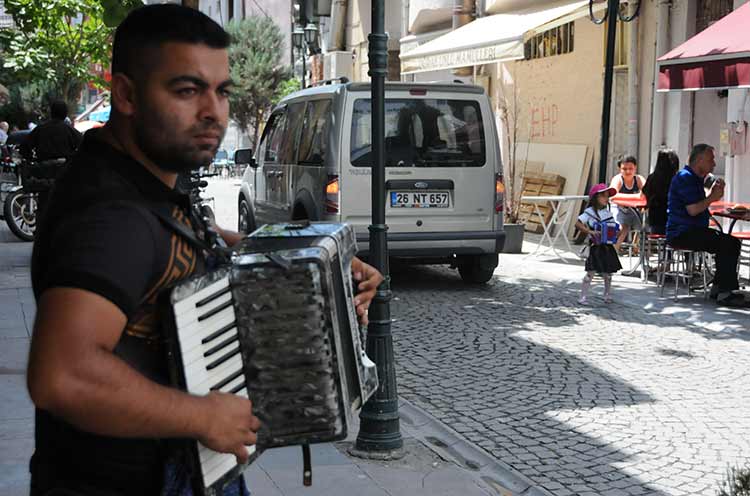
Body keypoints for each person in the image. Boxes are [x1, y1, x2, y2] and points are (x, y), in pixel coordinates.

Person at [27, 5, 383, 496]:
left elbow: (199, 238)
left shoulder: (145, 181)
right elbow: (61, 375)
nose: (213, 111)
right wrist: (199, 415)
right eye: (187, 90)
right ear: (126, 94)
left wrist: (321, 262)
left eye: (221, 91)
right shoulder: (109, 216)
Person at [667, 143, 746, 307]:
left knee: (729, 242)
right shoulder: (685, 178)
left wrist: (713, 194)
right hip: (682, 232)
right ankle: (724, 292)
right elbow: (693, 210)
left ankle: (719, 288)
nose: (714, 164)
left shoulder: (694, 179)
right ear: (700, 160)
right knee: (727, 243)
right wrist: (712, 197)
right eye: (711, 159)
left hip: (692, 230)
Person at [575, 183, 623, 305]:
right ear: (596, 197)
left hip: (607, 247)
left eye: (607, 196)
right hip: (595, 247)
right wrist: (590, 231)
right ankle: (583, 297)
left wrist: (617, 232)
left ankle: (607, 295)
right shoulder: (589, 212)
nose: (606, 199)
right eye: (603, 196)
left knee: (608, 274)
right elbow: (578, 223)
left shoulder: (608, 214)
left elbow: (615, 228)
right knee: (590, 273)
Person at [609, 155, 646, 251]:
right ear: (619, 169)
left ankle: (635, 246)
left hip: (634, 209)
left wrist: (624, 198)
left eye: (631, 168)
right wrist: (637, 197)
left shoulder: (638, 179)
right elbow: (612, 195)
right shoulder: (617, 179)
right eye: (624, 169)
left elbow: (647, 192)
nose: (628, 171)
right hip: (619, 208)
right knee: (622, 228)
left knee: (641, 226)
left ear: (635, 168)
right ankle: (614, 249)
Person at [642, 149, 680, 235]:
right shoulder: (676, 179)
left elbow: (644, 191)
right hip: (673, 217)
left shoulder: (652, 178)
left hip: (655, 216)